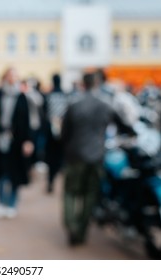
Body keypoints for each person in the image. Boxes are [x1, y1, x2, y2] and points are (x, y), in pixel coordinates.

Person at [61, 73, 135, 246]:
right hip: (96, 155)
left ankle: (71, 224)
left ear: (83, 84)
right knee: (90, 193)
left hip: (75, 155)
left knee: (71, 192)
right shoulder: (105, 104)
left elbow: (64, 133)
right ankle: (80, 229)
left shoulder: (74, 104)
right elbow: (125, 126)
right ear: (97, 83)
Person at [0, 68, 34, 219]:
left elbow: (27, 121)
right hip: (1, 139)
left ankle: (12, 203)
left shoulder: (22, 97)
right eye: (10, 75)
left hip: (17, 141)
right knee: (1, 172)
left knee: (15, 173)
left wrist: (27, 141)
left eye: (15, 76)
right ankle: (1, 202)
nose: (12, 78)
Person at [44, 73, 68, 194]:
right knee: (60, 158)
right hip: (62, 131)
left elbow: (45, 113)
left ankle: (51, 181)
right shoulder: (65, 95)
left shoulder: (49, 96)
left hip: (50, 131)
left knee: (51, 159)